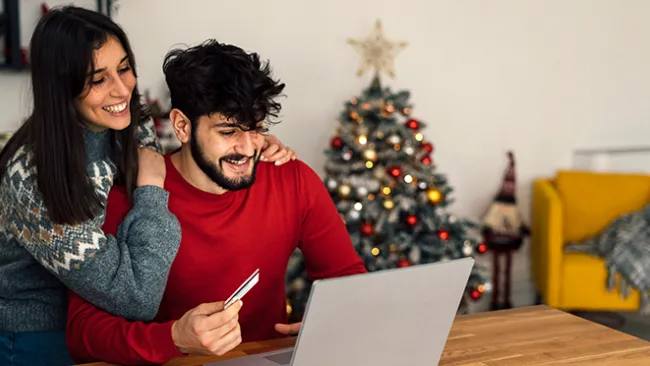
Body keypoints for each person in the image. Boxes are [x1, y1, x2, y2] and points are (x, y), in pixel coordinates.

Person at [0, 6, 294, 366]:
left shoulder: (128, 119)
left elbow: (162, 169)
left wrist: (241, 141)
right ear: (63, 87)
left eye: (124, 68)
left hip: (104, 323)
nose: (122, 89)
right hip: (37, 338)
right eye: (98, 79)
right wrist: (152, 192)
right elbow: (136, 296)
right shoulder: (32, 177)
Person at [65, 39, 368, 365]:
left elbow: (347, 277)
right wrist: (174, 338)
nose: (248, 147)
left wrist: (328, 325)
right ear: (182, 126)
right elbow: (82, 331)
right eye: (228, 132)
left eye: (256, 129)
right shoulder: (130, 197)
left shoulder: (292, 179)